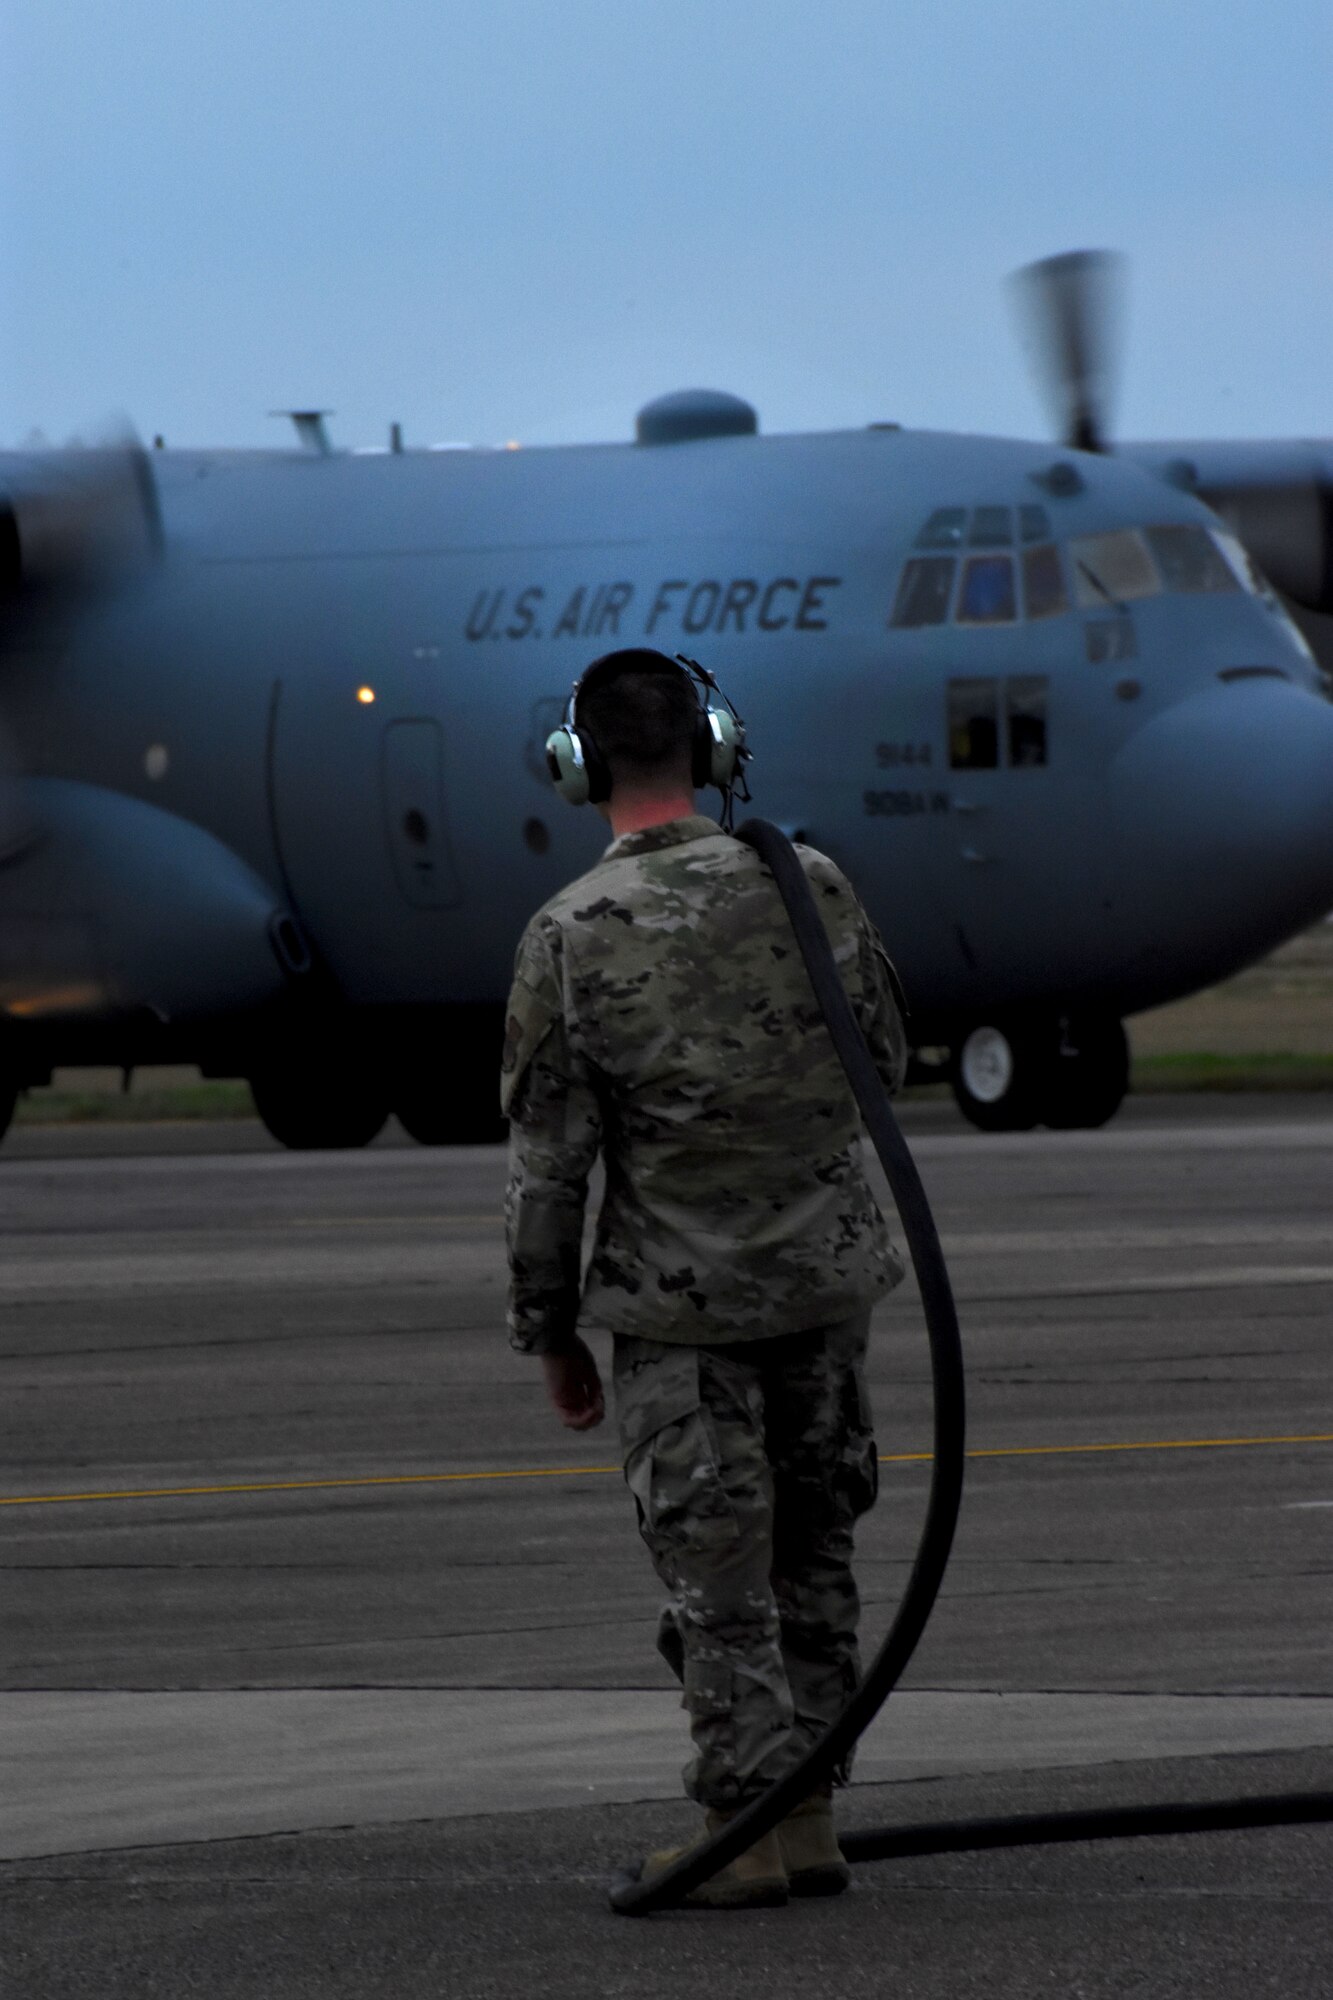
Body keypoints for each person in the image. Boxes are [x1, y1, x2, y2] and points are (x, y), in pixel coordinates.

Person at [501, 647, 907, 1909]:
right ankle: (814, 1811)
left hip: (678, 1308)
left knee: (716, 1569)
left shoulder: (569, 932)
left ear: (577, 767)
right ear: (717, 748)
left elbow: (549, 1165)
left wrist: (547, 1328)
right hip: (824, 1287)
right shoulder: (812, 885)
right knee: (815, 1544)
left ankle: (745, 1826)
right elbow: (882, 1054)